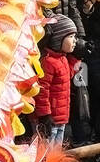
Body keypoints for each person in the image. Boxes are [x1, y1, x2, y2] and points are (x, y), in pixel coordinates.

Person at [34, 15, 79, 148]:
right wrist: (44, 115)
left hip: (61, 117)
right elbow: (41, 91)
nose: (75, 41)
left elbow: (67, 76)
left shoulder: (63, 59)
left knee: (57, 151)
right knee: (47, 151)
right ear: (58, 38)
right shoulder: (48, 62)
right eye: (70, 37)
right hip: (50, 118)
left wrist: (77, 59)